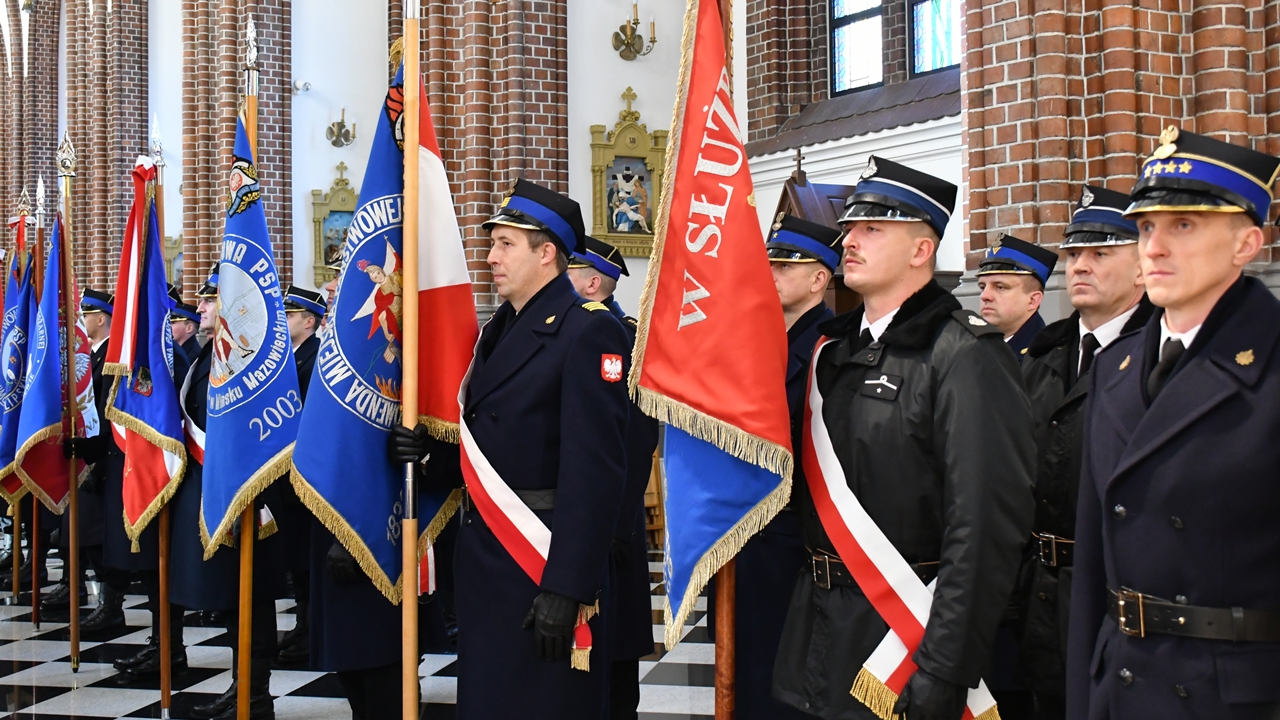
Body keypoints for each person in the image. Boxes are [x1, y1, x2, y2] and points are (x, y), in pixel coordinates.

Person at [773, 155, 1036, 720]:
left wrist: (945, 665)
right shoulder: (833, 350)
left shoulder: (963, 354)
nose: (850, 239)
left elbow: (985, 526)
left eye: (874, 228)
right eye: (850, 227)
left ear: (921, 251)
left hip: (904, 630)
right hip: (818, 629)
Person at [1067, 129, 1280, 719]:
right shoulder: (1115, 366)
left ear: (1247, 244)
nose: (1154, 248)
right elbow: (1091, 573)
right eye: (1145, 228)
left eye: (1183, 225)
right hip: (1124, 686)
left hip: (1235, 697)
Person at [441, 178, 630, 719]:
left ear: (547, 253)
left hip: (539, 559)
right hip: (487, 557)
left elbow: (594, 472)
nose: (491, 256)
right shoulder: (498, 329)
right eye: (492, 242)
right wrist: (431, 460)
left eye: (506, 244)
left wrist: (567, 588)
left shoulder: (585, 332)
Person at [1016, 185, 1151, 720]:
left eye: (1101, 253)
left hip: (1114, 594)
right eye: (1073, 254)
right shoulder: (1040, 357)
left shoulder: (1158, 357)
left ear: (1143, 266)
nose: (1080, 266)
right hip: (1037, 591)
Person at [710, 213, 839, 720]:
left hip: (797, 544)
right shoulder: (757, 339)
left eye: (786, 266)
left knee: (783, 687)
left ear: (819, 279)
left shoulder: (831, 347)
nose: (771, 274)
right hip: (747, 536)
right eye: (769, 264)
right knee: (744, 675)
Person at [176, 265, 287, 720]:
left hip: (249, 496)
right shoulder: (208, 354)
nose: (199, 307)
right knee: (229, 596)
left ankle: (254, 695)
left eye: (209, 300)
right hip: (216, 490)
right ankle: (241, 687)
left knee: (251, 595)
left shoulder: (243, 352)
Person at [566, 236, 660, 720]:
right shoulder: (573, 330)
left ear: (593, 282)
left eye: (569, 273)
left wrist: (619, 523)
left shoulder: (621, 336)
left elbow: (634, 440)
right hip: (589, 520)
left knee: (615, 654)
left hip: (614, 526)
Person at [45, 290, 114, 615]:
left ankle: (109, 604)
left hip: (99, 462)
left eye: (85, 315)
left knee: (97, 538)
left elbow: (104, 414)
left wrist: (95, 462)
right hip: (84, 458)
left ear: (101, 319)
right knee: (80, 534)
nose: (81, 321)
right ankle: (82, 590)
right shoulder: (88, 356)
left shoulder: (110, 358)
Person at [273, 286, 325, 668]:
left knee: (307, 557)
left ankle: (311, 629)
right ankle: (302, 623)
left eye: (291, 315)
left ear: (309, 321)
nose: (284, 320)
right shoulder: (289, 358)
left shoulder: (315, 357)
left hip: (305, 473)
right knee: (295, 554)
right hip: (286, 476)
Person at [976, 233, 1060, 360]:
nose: (985, 296)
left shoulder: (1047, 357)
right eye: (982, 287)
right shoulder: (972, 349)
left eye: (1000, 287)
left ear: (1033, 300)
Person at [169, 283, 202, 365]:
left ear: (189, 328)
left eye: (172, 323)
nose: (168, 327)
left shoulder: (196, 356)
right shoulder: (179, 351)